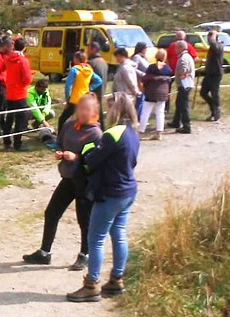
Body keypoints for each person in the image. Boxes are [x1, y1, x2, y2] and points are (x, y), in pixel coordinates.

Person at [61, 91, 141, 302]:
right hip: (127, 190)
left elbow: (91, 162)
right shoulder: (133, 132)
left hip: (110, 192)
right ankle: (116, 279)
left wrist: (85, 152)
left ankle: (91, 285)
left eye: (108, 107)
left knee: (95, 239)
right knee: (119, 233)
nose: (106, 112)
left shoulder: (112, 134)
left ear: (116, 109)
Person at [23, 92, 102, 271]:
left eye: (87, 109)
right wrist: (59, 151)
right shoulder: (68, 125)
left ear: (94, 111)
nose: (83, 112)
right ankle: (44, 252)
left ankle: (85, 255)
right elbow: (60, 143)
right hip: (68, 178)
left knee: (84, 220)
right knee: (51, 212)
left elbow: (97, 160)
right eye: (81, 108)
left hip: (85, 181)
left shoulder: (96, 134)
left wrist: (77, 157)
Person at [0, 37, 34, 151]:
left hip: (9, 92)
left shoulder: (7, 58)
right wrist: (25, 81)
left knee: (9, 118)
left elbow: (1, 68)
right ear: (24, 48)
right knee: (20, 119)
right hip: (20, 93)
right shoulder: (23, 60)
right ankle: (18, 143)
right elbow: (27, 78)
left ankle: (6, 142)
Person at [60, 51, 103, 132]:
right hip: (85, 98)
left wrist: (67, 99)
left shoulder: (74, 69)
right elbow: (99, 80)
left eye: (74, 58)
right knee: (83, 118)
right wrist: (89, 88)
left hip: (74, 99)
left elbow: (67, 86)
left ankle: (59, 139)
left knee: (62, 119)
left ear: (76, 59)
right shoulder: (89, 69)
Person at [138, 49, 173, 140]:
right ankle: (159, 133)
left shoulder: (151, 67)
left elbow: (145, 79)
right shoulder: (168, 69)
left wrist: (144, 88)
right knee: (160, 113)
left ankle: (141, 132)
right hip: (163, 93)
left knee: (145, 112)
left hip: (151, 92)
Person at [169, 41, 195, 134]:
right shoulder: (187, 56)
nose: (175, 49)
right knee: (179, 103)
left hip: (184, 84)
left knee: (184, 105)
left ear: (180, 48)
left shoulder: (183, 58)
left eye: (176, 47)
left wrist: (181, 75)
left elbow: (183, 69)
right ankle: (176, 121)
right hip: (186, 84)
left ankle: (186, 126)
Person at [199, 29, 223, 121]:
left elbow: (216, 48)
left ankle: (216, 111)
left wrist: (213, 37)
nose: (208, 39)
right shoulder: (212, 46)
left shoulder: (219, 45)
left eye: (210, 37)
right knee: (203, 93)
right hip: (208, 73)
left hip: (216, 74)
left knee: (214, 94)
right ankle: (213, 107)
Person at [110, 49, 141, 118]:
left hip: (126, 96)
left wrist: (135, 92)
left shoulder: (125, 68)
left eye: (117, 57)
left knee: (125, 116)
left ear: (122, 56)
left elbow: (130, 81)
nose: (116, 59)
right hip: (122, 95)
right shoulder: (122, 66)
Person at [87, 43, 109, 125]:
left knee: (93, 113)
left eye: (88, 49)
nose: (87, 51)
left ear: (94, 50)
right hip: (101, 90)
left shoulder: (91, 63)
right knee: (99, 112)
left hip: (92, 91)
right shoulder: (104, 62)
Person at [131, 42, 150, 118]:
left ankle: (140, 116)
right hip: (139, 80)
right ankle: (137, 117)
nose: (146, 50)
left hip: (145, 80)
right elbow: (133, 68)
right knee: (140, 99)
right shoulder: (136, 57)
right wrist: (143, 74)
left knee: (143, 99)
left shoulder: (144, 57)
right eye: (145, 48)